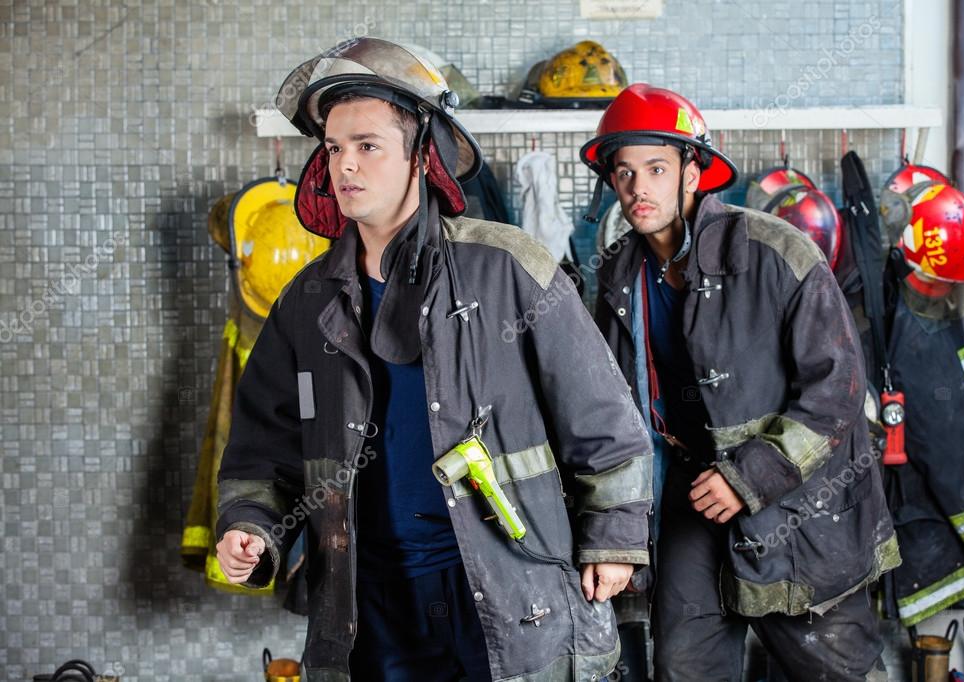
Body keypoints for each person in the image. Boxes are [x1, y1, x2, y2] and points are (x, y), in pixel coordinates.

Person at [215, 38, 653, 682]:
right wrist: (251, 524)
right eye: (334, 149)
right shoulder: (307, 301)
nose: (345, 167)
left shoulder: (506, 266)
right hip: (370, 600)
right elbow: (262, 447)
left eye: (368, 146)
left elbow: (604, 417)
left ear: (421, 156)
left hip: (504, 581)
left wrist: (613, 538)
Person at [582, 83, 901, 682]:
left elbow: (837, 393)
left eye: (655, 168)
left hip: (801, 510)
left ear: (692, 172)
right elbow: (609, 409)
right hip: (689, 501)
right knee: (683, 666)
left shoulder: (776, 253)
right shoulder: (618, 274)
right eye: (623, 173)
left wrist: (749, 476)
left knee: (837, 672)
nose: (637, 188)